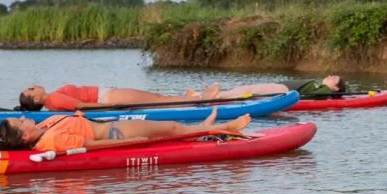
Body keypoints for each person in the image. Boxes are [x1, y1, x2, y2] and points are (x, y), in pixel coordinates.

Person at [0, 107, 251, 152]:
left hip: (111, 127)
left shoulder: (42, 126)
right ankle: (225, 127)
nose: (25, 118)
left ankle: (203, 128)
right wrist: (132, 142)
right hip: (116, 134)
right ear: (24, 136)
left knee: (170, 130)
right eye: (20, 122)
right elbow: (90, 146)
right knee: (170, 127)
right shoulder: (51, 139)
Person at [18, 82, 231, 112]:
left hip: (107, 96)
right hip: (108, 98)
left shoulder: (52, 101)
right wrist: (117, 106)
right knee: (157, 100)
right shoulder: (54, 99)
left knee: (156, 98)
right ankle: (203, 99)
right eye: (31, 90)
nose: (34, 86)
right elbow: (83, 106)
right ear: (36, 100)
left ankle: (195, 97)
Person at [211, 75, 348, 98]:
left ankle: (218, 95)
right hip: (279, 86)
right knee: (248, 88)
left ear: (335, 88)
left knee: (249, 90)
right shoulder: (319, 86)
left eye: (334, 78)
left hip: (282, 90)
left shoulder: (324, 90)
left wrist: (329, 90)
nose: (330, 76)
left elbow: (321, 95)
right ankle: (215, 94)